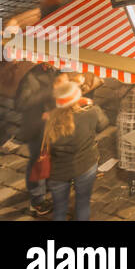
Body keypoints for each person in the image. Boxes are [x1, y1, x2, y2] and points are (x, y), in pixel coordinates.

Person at [44, 77, 108, 221]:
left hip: (58, 171)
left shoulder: (50, 120)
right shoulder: (89, 113)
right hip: (85, 165)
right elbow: (103, 124)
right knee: (83, 204)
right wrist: (92, 105)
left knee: (59, 209)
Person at [13, 62, 58, 217]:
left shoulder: (54, 70)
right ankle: (37, 201)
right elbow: (19, 104)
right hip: (36, 127)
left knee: (48, 158)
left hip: (49, 125)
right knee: (37, 162)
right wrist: (46, 92)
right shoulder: (30, 78)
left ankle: (45, 187)